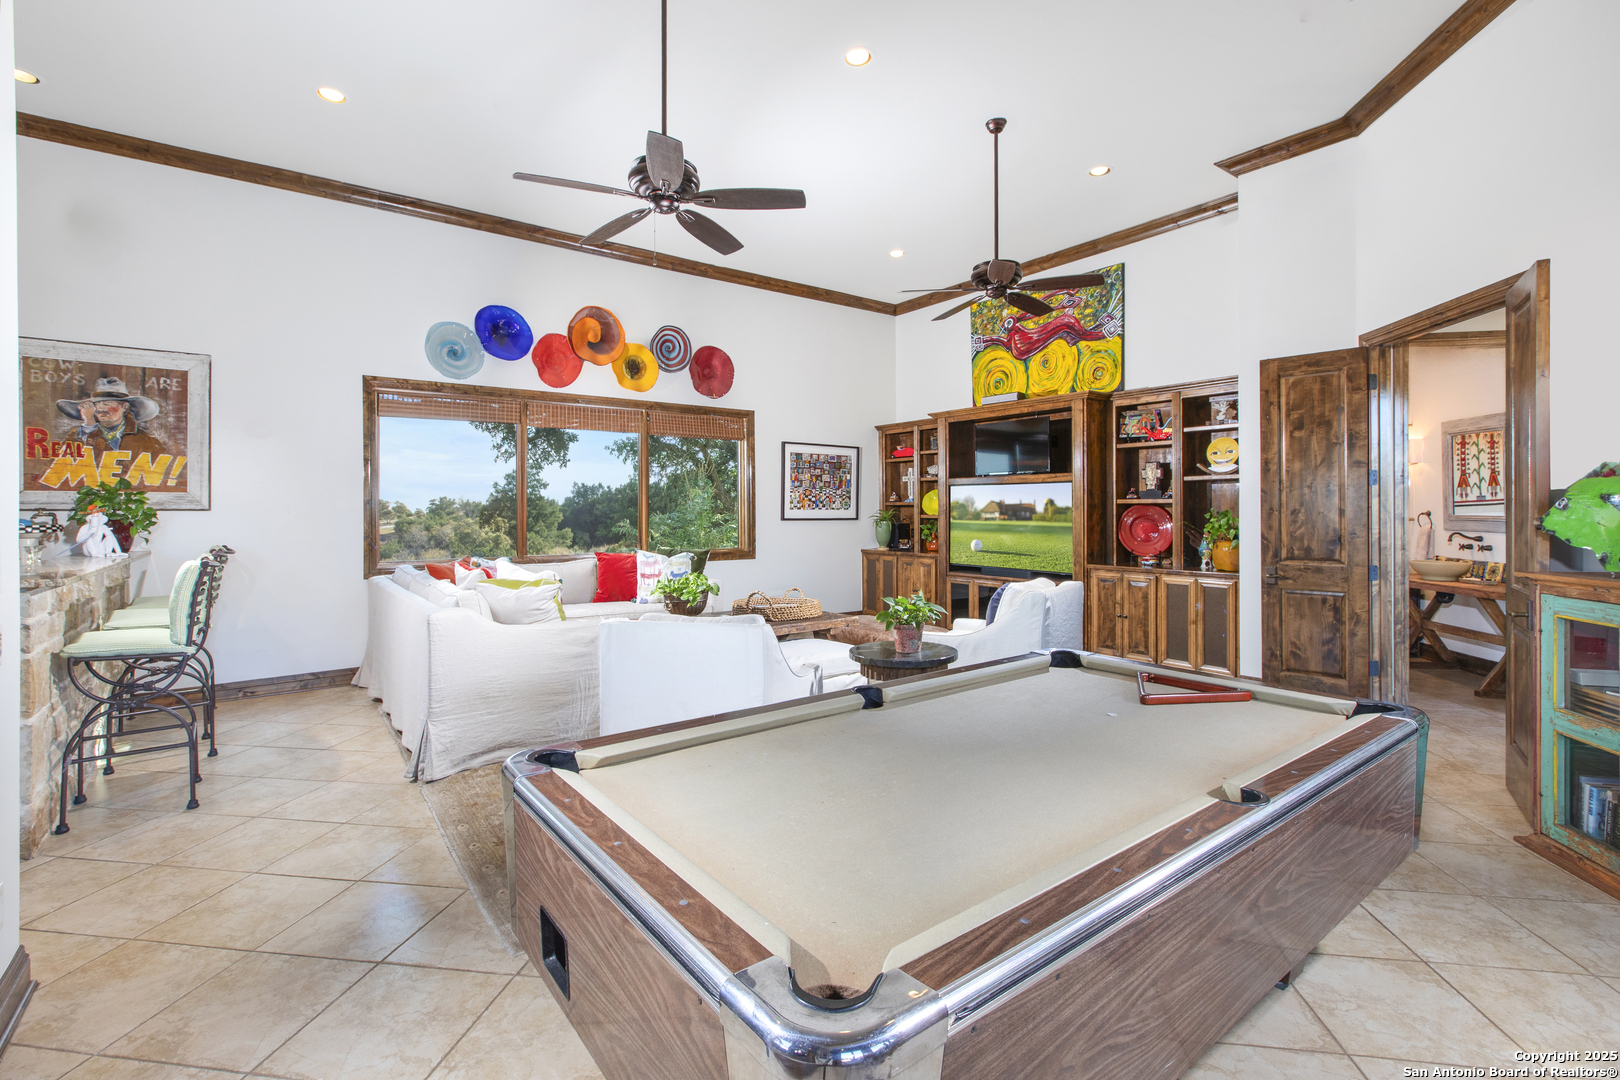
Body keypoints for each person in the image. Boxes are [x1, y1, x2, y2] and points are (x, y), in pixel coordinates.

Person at [56, 376, 167, 458]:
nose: (100, 408)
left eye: (107, 403)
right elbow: (65, 463)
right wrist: (89, 425)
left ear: (124, 406)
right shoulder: (77, 434)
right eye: (96, 404)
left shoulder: (146, 441)